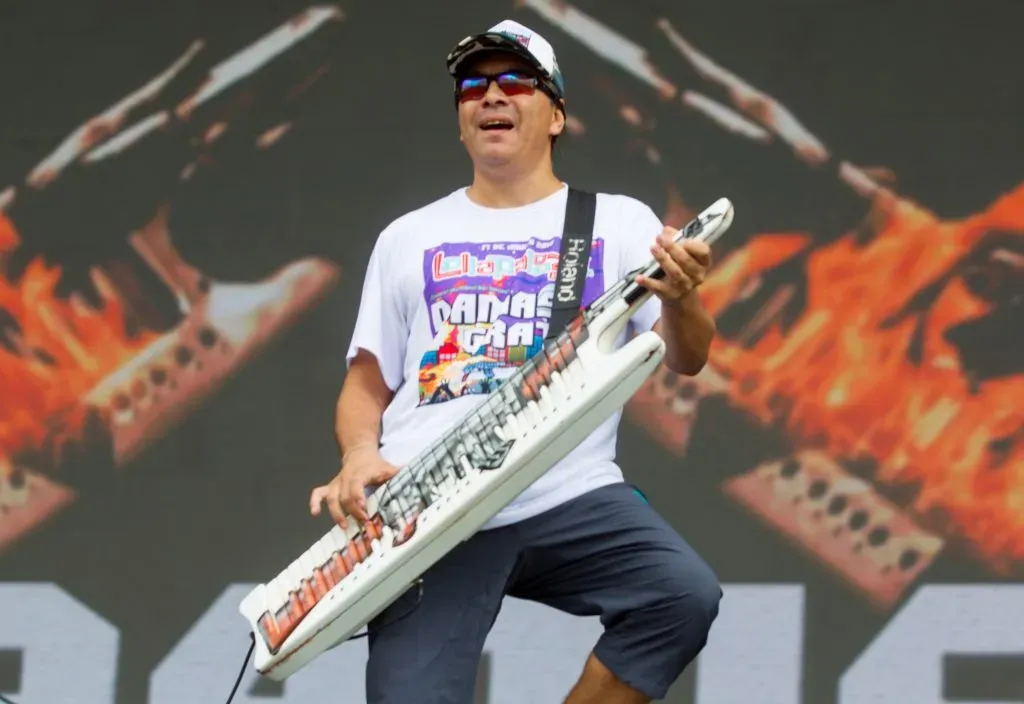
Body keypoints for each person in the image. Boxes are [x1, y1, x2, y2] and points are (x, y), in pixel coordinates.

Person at [309, 19, 723, 704]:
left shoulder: (616, 222)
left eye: (515, 82)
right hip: (432, 509)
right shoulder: (408, 236)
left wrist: (681, 301)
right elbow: (365, 384)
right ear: (461, 121)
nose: (491, 95)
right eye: (474, 85)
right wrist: (358, 455)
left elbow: (689, 358)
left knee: (680, 593)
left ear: (555, 114)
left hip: (567, 490)